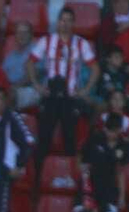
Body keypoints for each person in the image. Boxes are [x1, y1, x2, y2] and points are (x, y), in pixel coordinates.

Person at [31, 7, 97, 158]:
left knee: (70, 140)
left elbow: (95, 68)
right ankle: (40, 177)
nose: (65, 24)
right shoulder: (46, 41)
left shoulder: (81, 43)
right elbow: (30, 63)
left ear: (74, 23)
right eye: (63, 20)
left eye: (69, 21)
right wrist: (36, 85)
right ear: (58, 22)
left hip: (70, 97)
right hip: (50, 95)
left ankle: (70, 176)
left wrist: (85, 89)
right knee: (44, 139)